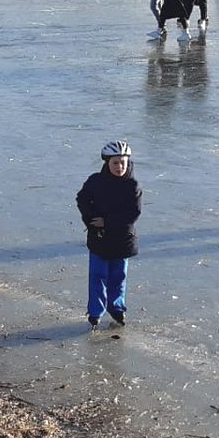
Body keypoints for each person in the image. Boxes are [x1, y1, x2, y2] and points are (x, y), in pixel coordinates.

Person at [76, 140, 141, 329]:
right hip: (100, 238)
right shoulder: (95, 181)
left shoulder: (132, 185)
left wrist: (107, 221)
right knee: (98, 275)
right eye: (115, 163)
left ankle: (117, 309)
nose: (119, 167)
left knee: (118, 276)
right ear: (107, 162)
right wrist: (90, 219)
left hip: (123, 240)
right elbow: (82, 199)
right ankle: (95, 312)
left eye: (123, 162)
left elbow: (133, 213)